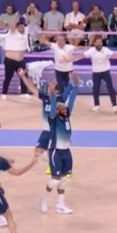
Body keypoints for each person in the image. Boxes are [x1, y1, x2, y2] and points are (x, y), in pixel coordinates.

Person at [40, 81, 79, 214]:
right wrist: (51, 93)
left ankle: (60, 205)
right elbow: (51, 108)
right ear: (57, 111)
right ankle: (43, 199)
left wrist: (76, 87)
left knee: (63, 180)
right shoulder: (53, 119)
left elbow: (72, 101)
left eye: (65, 108)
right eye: (62, 108)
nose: (65, 109)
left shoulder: (66, 117)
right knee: (55, 180)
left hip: (67, 151)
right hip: (55, 151)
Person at [63, 36, 117, 112]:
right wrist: (70, 60)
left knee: (110, 88)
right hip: (96, 72)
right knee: (95, 89)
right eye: (97, 42)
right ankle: (96, 105)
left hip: (106, 71)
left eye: (100, 42)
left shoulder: (106, 50)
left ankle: (114, 105)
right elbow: (81, 56)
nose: (99, 44)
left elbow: (115, 55)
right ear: (94, 44)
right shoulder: (91, 50)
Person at [0, 18, 31, 100]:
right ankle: (4, 93)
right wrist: (15, 18)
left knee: (24, 76)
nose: (22, 27)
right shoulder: (12, 32)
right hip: (10, 60)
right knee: (8, 77)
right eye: (20, 26)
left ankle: (23, 92)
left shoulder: (25, 34)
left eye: (23, 26)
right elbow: (12, 25)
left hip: (20, 61)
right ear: (17, 26)